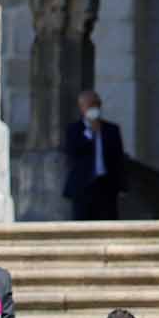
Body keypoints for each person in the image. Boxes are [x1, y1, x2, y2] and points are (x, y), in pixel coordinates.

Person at [63, 90, 127, 221]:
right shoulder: (74, 130)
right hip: (82, 186)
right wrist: (90, 133)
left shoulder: (111, 130)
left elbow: (118, 159)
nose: (93, 107)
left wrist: (122, 185)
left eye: (96, 104)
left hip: (106, 185)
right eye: (89, 104)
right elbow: (72, 153)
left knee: (108, 222)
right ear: (82, 107)